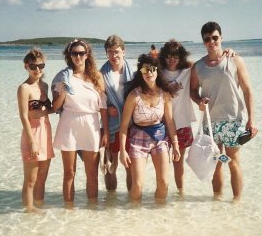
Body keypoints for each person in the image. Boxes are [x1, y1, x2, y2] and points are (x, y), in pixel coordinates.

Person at [190, 21, 258, 202]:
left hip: (232, 121)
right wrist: (199, 101)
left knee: (233, 163)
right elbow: (192, 91)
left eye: (215, 37)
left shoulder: (234, 59)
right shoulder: (198, 67)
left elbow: (247, 90)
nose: (211, 42)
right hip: (210, 124)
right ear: (203, 42)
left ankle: (237, 203)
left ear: (221, 38)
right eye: (207, 39)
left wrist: (252, 120)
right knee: (217, 163)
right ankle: (217, 203)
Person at [51, 39, 109, 206]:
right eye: (74, 53)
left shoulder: (96, 76)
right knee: (69, 173)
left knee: (92, 174)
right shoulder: (62, 76)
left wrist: (105, 130)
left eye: (81, 53)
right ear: (69, 56)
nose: (78, 56)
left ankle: (93, 210)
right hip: (69, 124)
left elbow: (103, 106)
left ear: (87, 55)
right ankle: (68, 210)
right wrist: (63, 89)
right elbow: (55, 107)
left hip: (91, 126)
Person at [119, 54, 180, 202]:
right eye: (145, 70)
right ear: (141, 72)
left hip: (160, 138)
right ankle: (134, 216)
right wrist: (122, 151)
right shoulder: (134, 95)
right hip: (138, 140)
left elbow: (170, 122)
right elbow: (124, 126)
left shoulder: (164, 95)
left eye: (152, 69)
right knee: (138, 185)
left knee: (164, 183)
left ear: (157, 71)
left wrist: (176, 145)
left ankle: (158, 216)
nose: (149, 73)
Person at [17, 47, 54, 213]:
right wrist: (32, 141)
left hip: (45, 130)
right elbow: (24, 116)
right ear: (26, 67)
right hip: (32, 133)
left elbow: (50, 110)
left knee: (42, 177)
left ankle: (39, 205)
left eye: (41, 66)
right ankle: (28, 210)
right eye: (33, 66)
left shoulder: (44, 86)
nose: (37, 69)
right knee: (30, 179)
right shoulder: (24, 88)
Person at [158, 39, 196, 194]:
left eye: (175, 55)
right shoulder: (158, 73)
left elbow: (205, 62)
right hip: (162, 125)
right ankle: (163, 192)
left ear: (181, 56)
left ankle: (180, 194)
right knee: (162, 164)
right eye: (168, 55)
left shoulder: (188, 72)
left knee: (178, 164)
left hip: (182, 123)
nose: (171, 58)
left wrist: (228, 52)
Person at [100, 35, 135, 192]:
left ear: (124, 51)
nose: (114, 56)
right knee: (110, 165)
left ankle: (131, 204)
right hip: (112, 123)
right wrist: (108, 106)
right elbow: (96, 99)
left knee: (130, 166)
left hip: (131, 124)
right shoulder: (101, 74)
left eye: (116, 52)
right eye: (110, 52)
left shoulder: (133, 71)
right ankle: (110, 203)